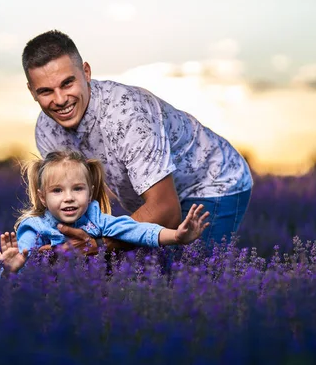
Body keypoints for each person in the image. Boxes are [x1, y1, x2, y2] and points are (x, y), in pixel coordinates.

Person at [20, 29, 252, 251]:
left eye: (67, 83)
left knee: (191, 275)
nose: (60, 100)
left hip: (211, 181)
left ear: (86, 72)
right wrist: (40, 251)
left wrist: (98, 246)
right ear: (32, 92)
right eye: (46, 91)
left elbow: (165, 210)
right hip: (151, 199)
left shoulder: (127, 114)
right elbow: (71, 207)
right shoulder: (46, 130)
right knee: (143, 273)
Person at [0, 150, 209, 273]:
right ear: (42, 197)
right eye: (57, 190)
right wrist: (12, 268)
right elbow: (21, 260)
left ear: (90, 193)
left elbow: (137, 230)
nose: (68, 197)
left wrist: (177, 236)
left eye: (77, 188)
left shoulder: (96, 219)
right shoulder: (35, 227)